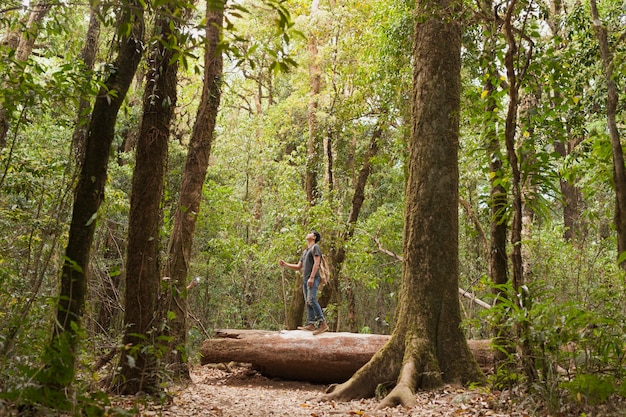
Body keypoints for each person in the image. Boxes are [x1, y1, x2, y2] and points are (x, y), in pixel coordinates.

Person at [279, 231, 328, 335]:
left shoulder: (315, 247)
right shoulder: (305, 251)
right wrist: (285, 264)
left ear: (314, 237)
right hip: (306, 279)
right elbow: (298, 266)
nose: (307, 234)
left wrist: (312, 277)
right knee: (308, 301)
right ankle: (311, 324)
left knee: (312, 300)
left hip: (312, 278)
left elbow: (317, 263)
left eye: (310, 233)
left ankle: (322, 323)